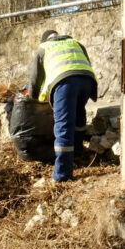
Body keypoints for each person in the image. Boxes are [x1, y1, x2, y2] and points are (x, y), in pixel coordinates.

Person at [29, 29, 97, 182]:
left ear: (44, 40)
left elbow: (35, 79)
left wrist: (33, 98)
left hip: (65, 83)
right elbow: (85, 64)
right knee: (79, 115)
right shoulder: (75, 43)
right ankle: (78, 152)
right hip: (87, 81)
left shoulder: (43, 49)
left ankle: (62, 174)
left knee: (63, 126)